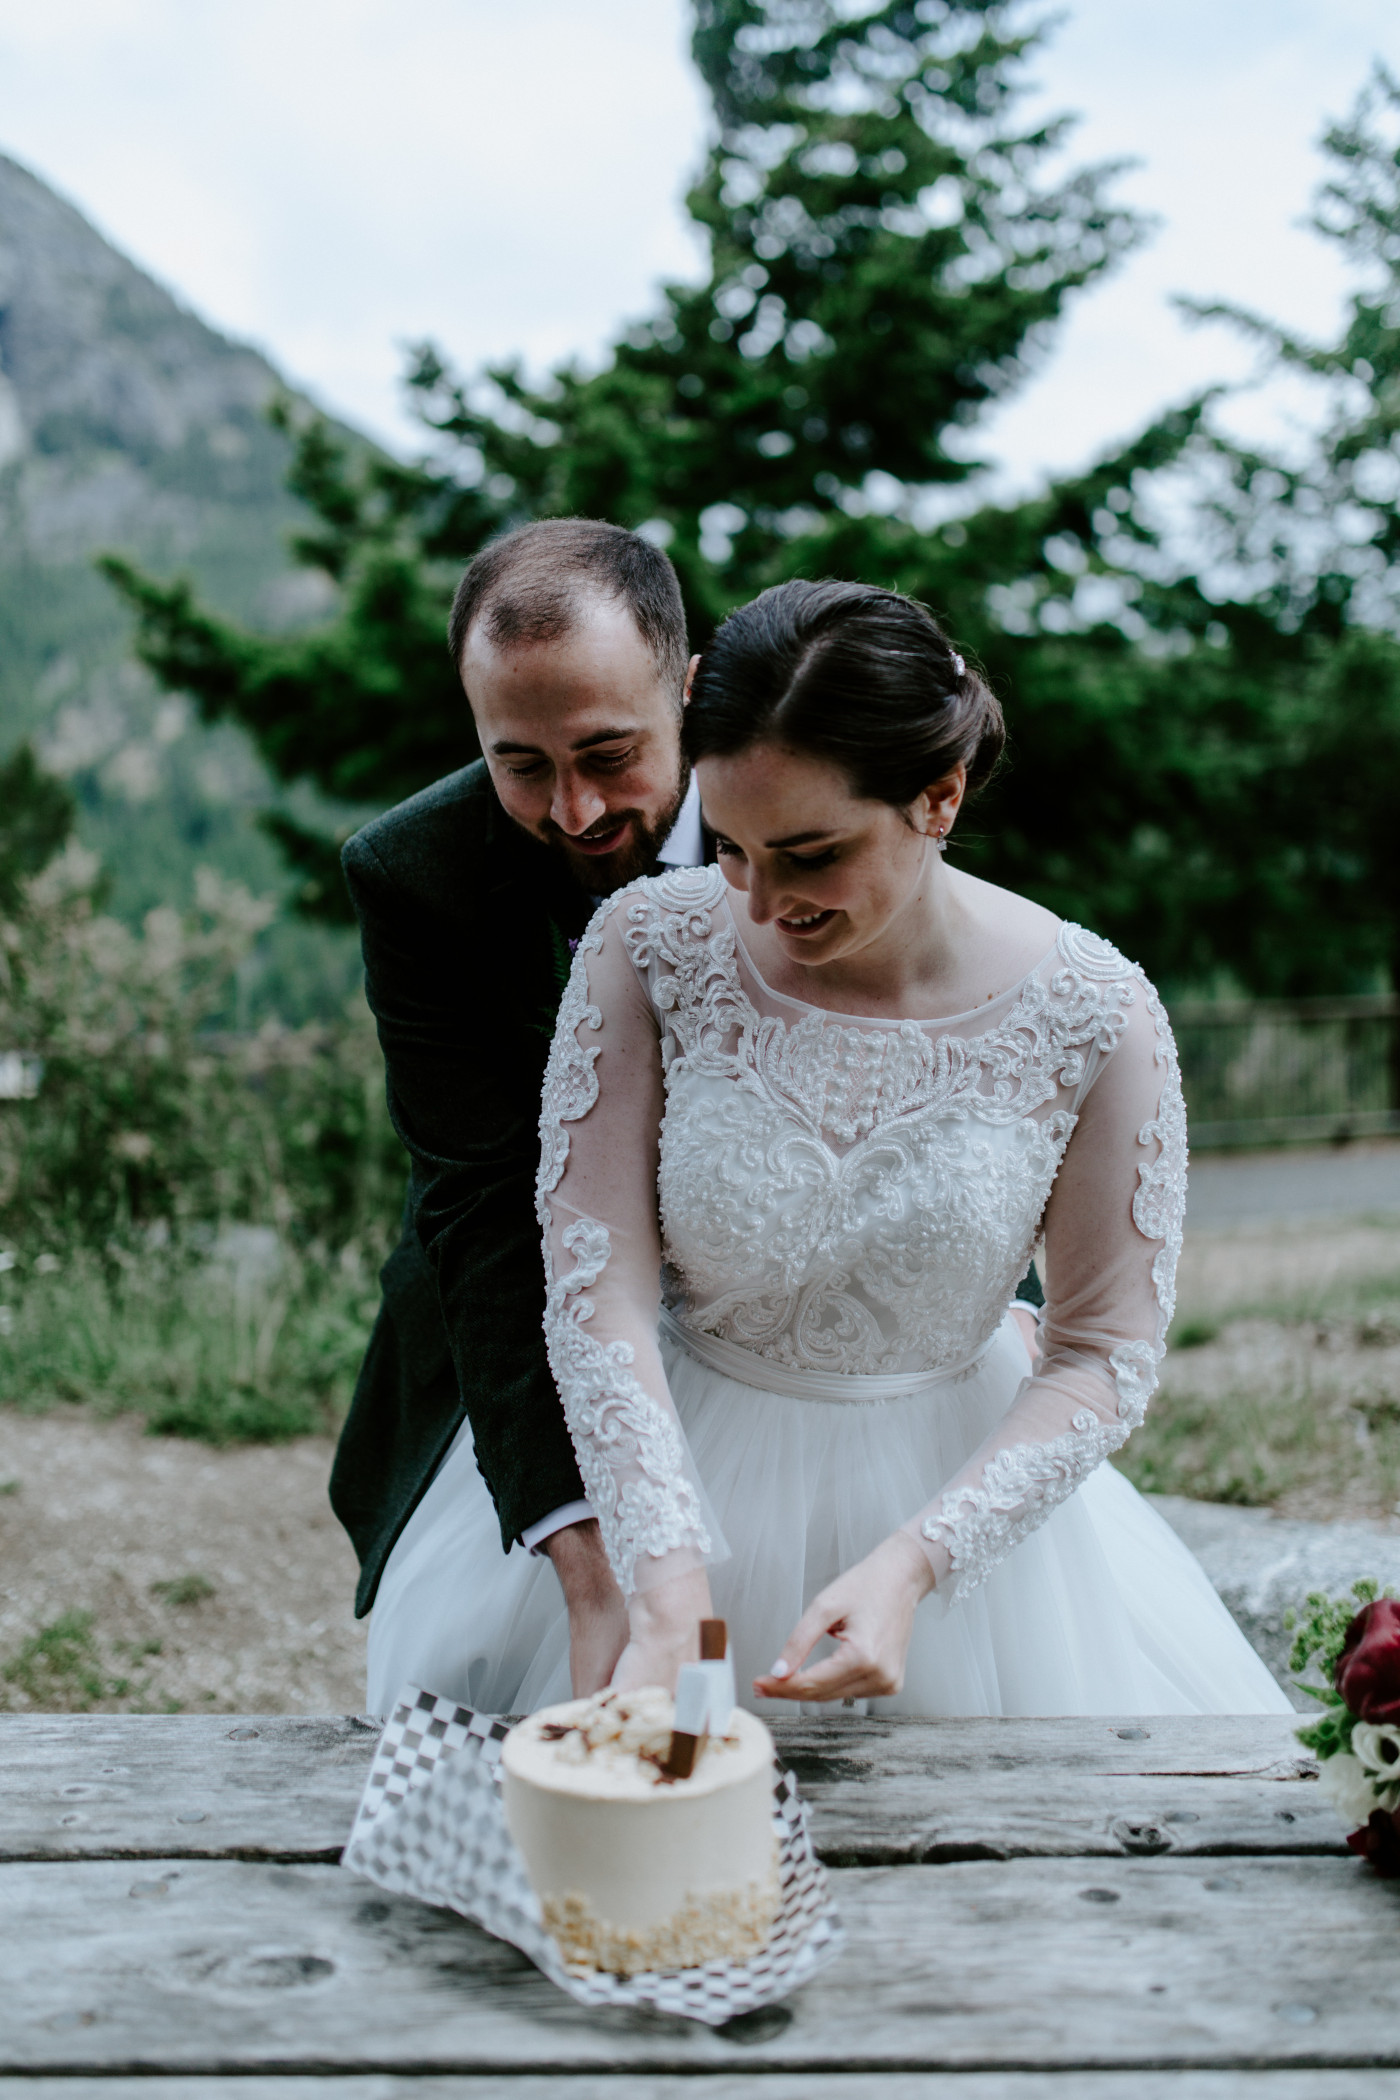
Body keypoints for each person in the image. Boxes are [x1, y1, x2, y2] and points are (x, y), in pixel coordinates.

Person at [367, 579, 1290, 1719]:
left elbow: (1101, 1351)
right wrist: (662, 1570)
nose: (759, 904)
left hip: (956, 1516)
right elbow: (593, 1273)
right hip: (674, 1465)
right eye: (737, 850)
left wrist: (920, 1562)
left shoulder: (1098, 1017)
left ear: (937, 796)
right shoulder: (650, 943)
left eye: (809, 854)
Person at [332, 519, 707, 1701]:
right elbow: (482, 1200)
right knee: (492, 1678)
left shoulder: (816, 789)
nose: (574, 810)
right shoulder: (416, 874)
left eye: (608, 753)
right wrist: (588, 1577)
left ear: (688, 693)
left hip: (790, 1303)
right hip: (530, 1307)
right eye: (521, 765)